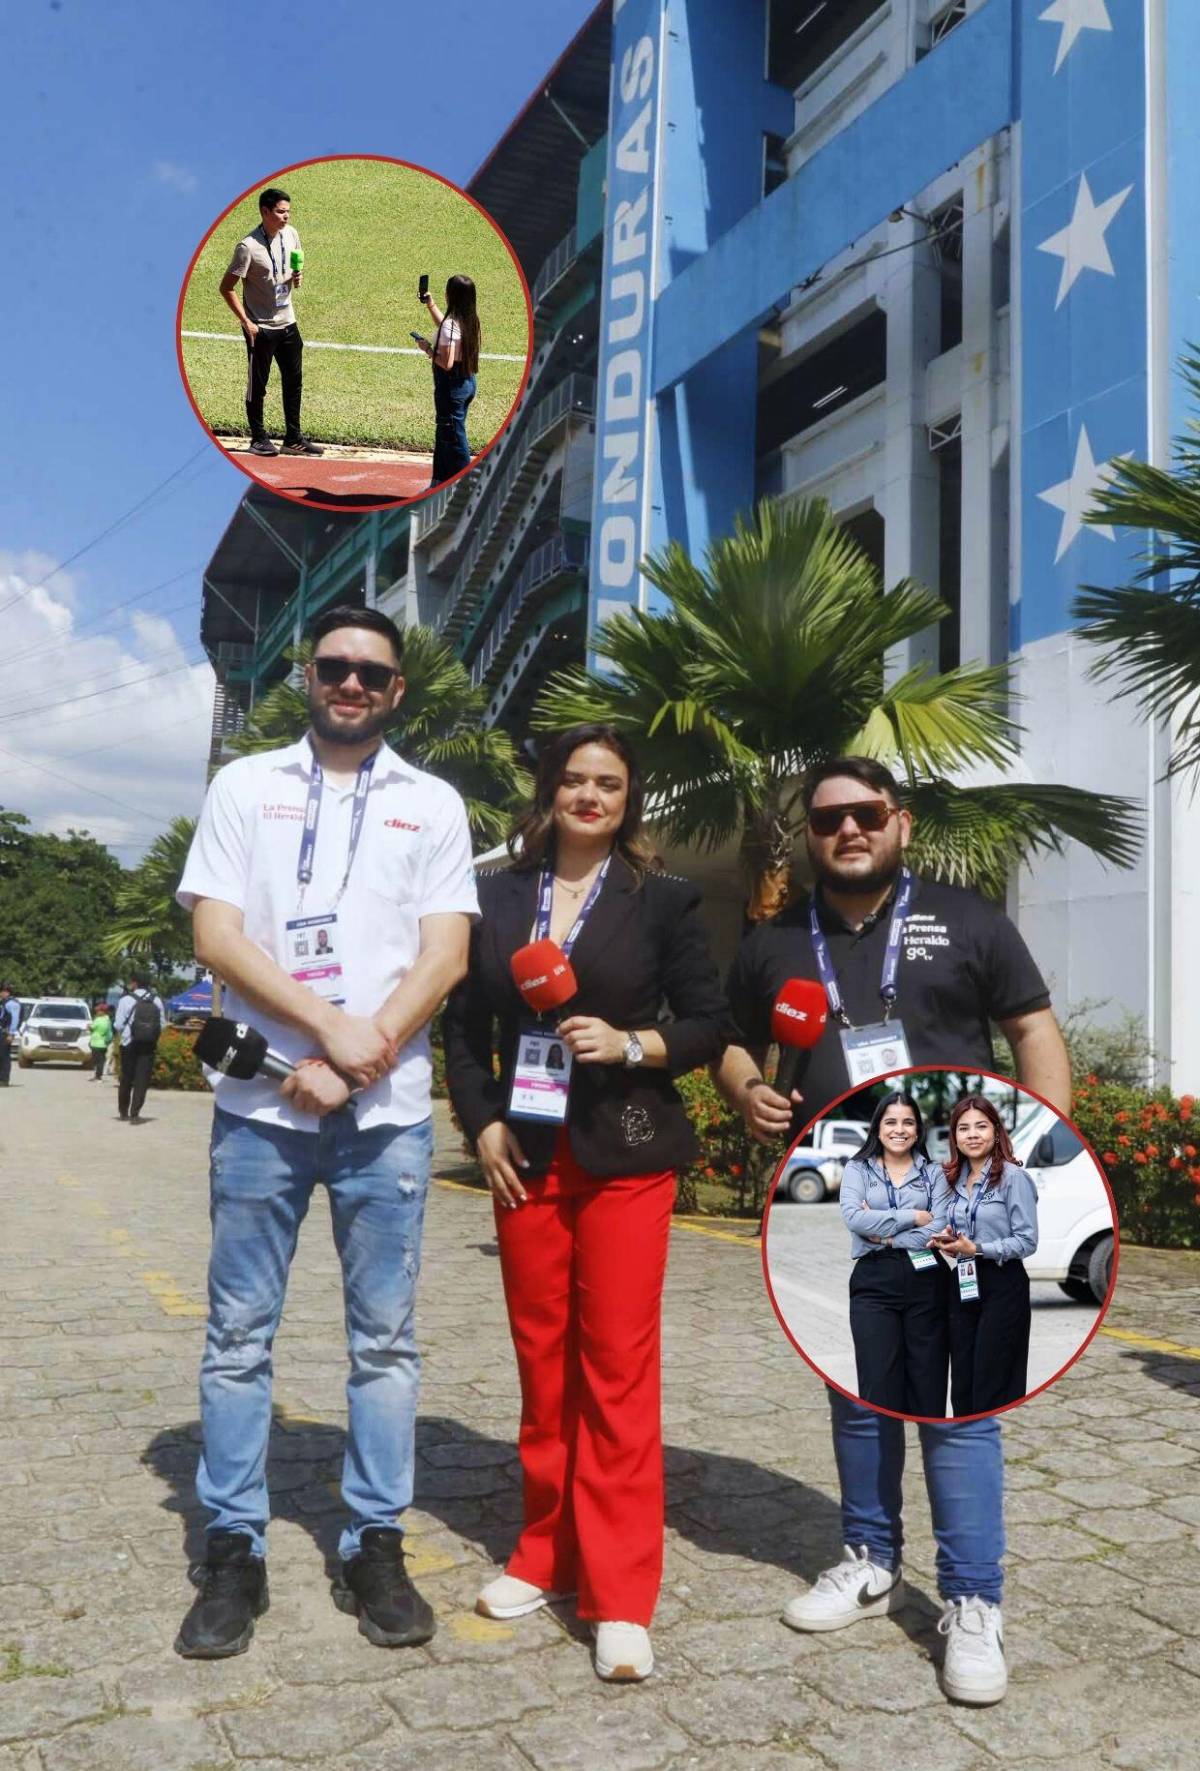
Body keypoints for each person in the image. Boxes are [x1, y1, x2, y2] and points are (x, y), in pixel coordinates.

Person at [714, 754, 1071, 1708]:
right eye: (829, 819)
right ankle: (870, 1558)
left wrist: (1042, 1147)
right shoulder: (775, 940)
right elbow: (731, 1038)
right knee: (859, 1387)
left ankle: (973, 1600)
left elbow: (1035, 1030)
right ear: (812, 836)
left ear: (899, 821)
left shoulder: (969, 919)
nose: (849, 830)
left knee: (959, 1405)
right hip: (837, 1197)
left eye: (867, 812)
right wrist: (746, 1087)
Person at [174, 603, 478, 1661]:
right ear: (309, 676)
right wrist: (327, 1030)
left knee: (384, 1340)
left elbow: (445, 955)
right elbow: (218, 930)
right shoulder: (244, 786)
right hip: (263, 1105)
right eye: (336, 667)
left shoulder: (433, 803)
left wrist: (365, 1048)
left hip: (383, 1116)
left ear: (398, 693)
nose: (352, 684)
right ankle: (232, 1548)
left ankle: (373, 1541)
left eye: (372, 673)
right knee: (238, 1336)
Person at [443, 723, 731, 1684]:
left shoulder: (666, 900)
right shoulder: (493, 898)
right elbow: (466, 1027)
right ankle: (545, 1551)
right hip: (525, 1151)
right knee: (542, 1358)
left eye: (609, 782)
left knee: (614, 1364)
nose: (591, 796)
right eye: (575, 780)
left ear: (629, 796)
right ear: (549, 791)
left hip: (627, 1153)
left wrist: (634, 1043)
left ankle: (618, 1591)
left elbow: (705, 1023)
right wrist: (479, 1120)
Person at [839, 1092, 950, 1417]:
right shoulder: (857, 1169)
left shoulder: (935, 1174)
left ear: (918, 1130)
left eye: (908, 1122)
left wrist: (885, 1237)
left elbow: (939, 1226)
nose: (899, 1129)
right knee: (878, 1388)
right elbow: (854, 1219)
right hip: (874, 1284)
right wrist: (913, 1217)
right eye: (891, 1122)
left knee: (928, 1387)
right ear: (877, 1128)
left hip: (927, 1282)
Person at [932, 1095, 1038, 1415]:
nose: (972, 1134)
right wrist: (947, 1241)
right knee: (963, 1379)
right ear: (955, 1137)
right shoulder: (952, 1179)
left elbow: (1027, 1241)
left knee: (992, 1378)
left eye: (981, 1126)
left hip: (1002, 1283)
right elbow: (958, 1228)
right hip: (964, 1279)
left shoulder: (1012, 1177)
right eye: (963, 1128)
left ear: (995, 1131)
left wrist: (977, 1249)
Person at [220, 187, 325, 460]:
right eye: (280, 212)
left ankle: (293, 438)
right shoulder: (248, 247)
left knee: (294, 381)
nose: (286, 217)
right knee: (258, 385)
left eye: (288, 211)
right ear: (264, 212)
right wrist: (246, 322)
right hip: (261, 327)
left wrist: (296, 277)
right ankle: (258, 438)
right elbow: (226, 288)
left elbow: (292, 267)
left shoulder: (291, 234)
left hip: (288, 322)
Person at [417, 274, 480, 486]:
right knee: (445, 432)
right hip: (467, 382)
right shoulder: (469, 319)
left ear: (450, 294)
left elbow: (447, 362)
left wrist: (427, 349)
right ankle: (438, 481)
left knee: (453, 436)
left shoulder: (450, 326)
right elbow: (447, 328)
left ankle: (467, 485)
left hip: (451, 387)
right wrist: (430, 305)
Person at [113, 974, 166, 1123]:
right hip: (148, 1044)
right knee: (142, 1079)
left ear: (134, 983)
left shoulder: (125, 1000)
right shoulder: (156, 1000)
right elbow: (162, 1024)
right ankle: (135, 1113)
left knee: (126, 1078)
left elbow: (118, 1025)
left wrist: (127, 1032)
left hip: (128, 1043)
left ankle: (123, 1112)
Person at [88, 1002, 114, 1081]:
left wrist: (89, 1027)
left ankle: (98, 1076)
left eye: (98, 1011)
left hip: (96, 1043)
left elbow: (92, 1027)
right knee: (101, 1060)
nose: (97, 1012)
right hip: (103, 1043)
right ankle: (98, 1075)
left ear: (102, 1011)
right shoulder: (108, 1020)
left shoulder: (98, 1020)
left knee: (97, 1060)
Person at [0, 985, 19, 1086]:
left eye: (1, 992)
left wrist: (11, 1034)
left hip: (6, 1033)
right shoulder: (5, 1002)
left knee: (4, 1056)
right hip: (2, 1031)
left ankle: (4, 1080)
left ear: (6, 992)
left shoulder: (12, 1004)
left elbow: (15, 1019)